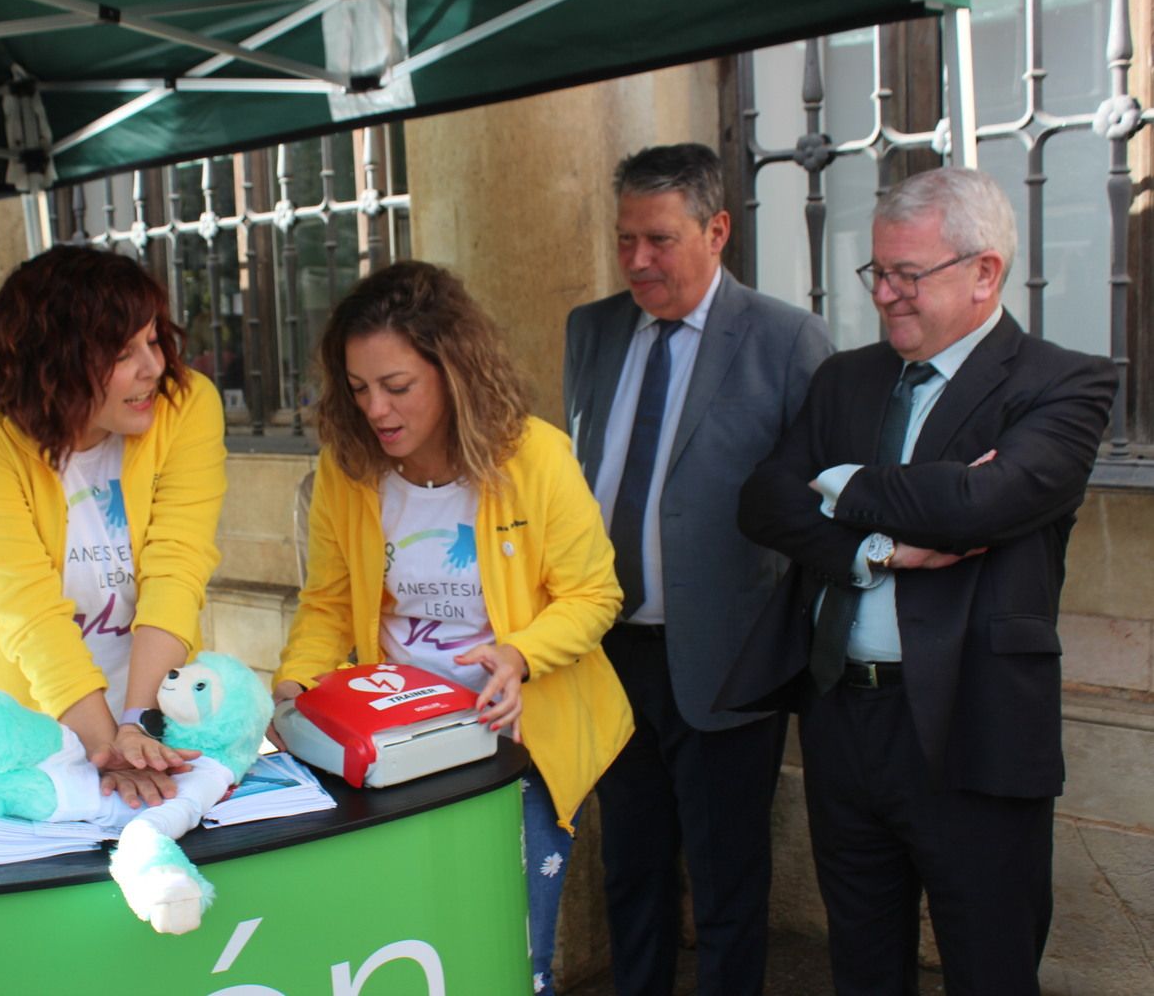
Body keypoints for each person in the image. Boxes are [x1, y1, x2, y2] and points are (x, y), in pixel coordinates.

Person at [726, 167, 1116, 995]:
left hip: (976, 726)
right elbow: (762, 501)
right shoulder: (847, 378)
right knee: (863, 962)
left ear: (985, 273)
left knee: (990, 966)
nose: (888, 296)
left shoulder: (1065, 382)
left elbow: (981, 504)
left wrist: (835, 481)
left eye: (911, 275)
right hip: (843, 716)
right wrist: (878, 549)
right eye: (879, 273)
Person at [273, 260, 633, 996]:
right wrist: (294, 688)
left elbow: (595, 595)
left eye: (397, 386)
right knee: (417, 948)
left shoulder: (534, 456)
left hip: (520, 749)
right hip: (400, 748)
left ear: (454, 371)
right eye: (359, 387)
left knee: (510, 953)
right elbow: (328, 605)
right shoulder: (348, 470)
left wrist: (519, 654)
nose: (376, 408)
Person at [562, 143, 831, 995]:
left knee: (726, 878)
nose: (639, 260)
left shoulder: (788, 339)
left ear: (717, 230)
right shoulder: (593, 329)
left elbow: (817, 503)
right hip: (608, 653)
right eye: (625, 240)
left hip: (728, 655)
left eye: (661, 239)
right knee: (629, 865)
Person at [0, 246, 226, 807]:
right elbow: (28, 611)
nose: (154, 367)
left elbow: (177, 570)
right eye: (122, 352)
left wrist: (141, 725)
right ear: (54, 362)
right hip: (20, 735)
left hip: (157, 726)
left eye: (153, 339)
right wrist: (106, 745)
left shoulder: (187, 405)